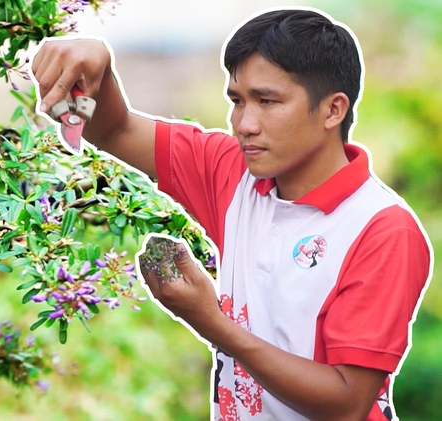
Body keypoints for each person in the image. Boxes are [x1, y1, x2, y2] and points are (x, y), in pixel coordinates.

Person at [31, 8, 433, 421]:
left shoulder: (382, 230)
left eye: (267, 101)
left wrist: (212, 323)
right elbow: (114, 130)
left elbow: (347, 403)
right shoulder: (232, 172)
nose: (244, 124)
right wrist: (95, 67)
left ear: (333, 110)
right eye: (238, 101)